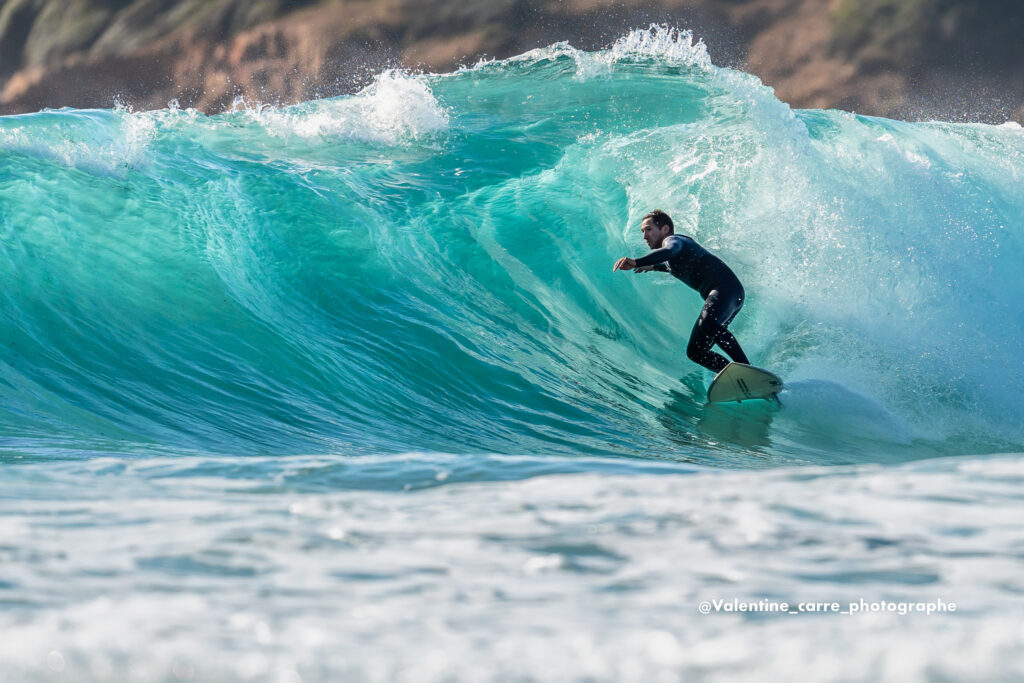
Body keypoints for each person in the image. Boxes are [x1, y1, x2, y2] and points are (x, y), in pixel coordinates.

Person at [613, 209, 750, 374]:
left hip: (726, 289)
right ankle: (736, 376)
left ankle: (747, 369)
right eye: (643, 231)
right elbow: (676, 264)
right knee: (695, 352)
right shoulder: (675, 254)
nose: (644, 236)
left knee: (708, 323)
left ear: (665, 229)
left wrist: (636, 262)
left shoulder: (673, 240)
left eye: (648, 229)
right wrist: (653, 267)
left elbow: (670, 251)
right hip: (730, 294)